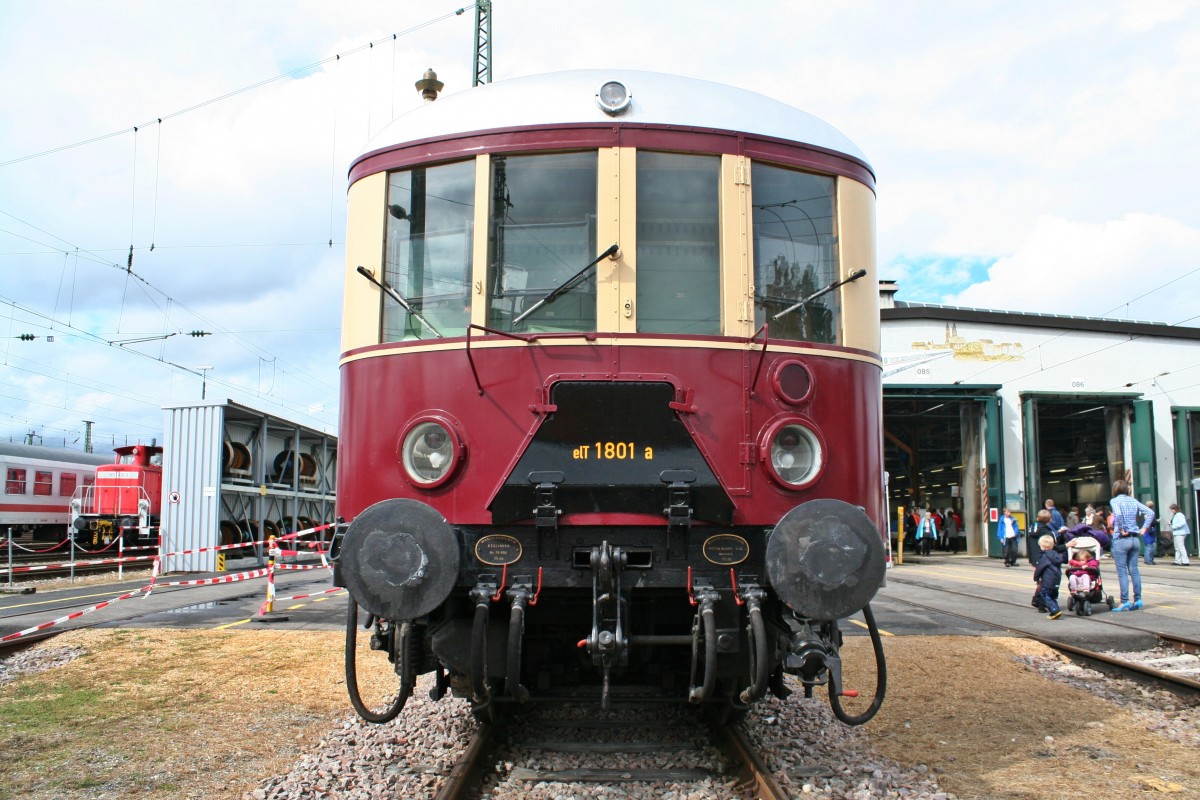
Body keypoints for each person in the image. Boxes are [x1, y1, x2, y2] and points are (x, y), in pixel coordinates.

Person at [1109, 479, 1153, 611]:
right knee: (1134, 570)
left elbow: (1117, 514)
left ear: (1115, 489)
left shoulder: (1115, 501)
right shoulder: (1133, 501)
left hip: (1121, 539)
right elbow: (1150, 513)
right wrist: (1144, 528)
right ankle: (1138, 599)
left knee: (1122, 572)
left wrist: (1121, 528)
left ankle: (1124, 601)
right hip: (1135, 539)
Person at [1033, 534, 1063, 619]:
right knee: (1052, 596)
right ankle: (1056, 609)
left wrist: (1036, 577)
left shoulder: (1045, 556)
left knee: (1045, 594)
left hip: (1048, 580)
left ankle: (1054, 610)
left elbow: (1040, 568)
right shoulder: (1055, 555)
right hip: (1056, 580)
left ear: (1043, 546)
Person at [1141, 500, 1158, 565]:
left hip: (1146, 530)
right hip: (1149, 531)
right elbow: (1151, 522)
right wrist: (1156, 522)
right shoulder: (1150, 513)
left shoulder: (1144, 512)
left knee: (1147, 546)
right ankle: (1149, 560)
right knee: (1150, 546)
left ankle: (1147, 559)